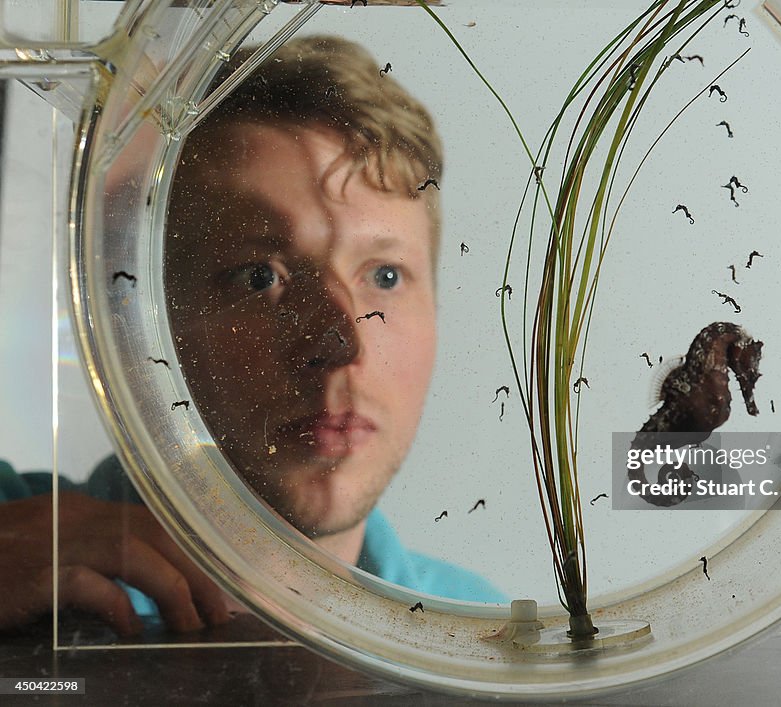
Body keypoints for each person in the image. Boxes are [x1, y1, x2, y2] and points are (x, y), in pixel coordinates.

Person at [1, 35, 503, 636]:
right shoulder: (14, 540)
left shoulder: (477, 631)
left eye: (385, 276)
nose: (342, 345)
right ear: (141, 320)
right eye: (260, 276)